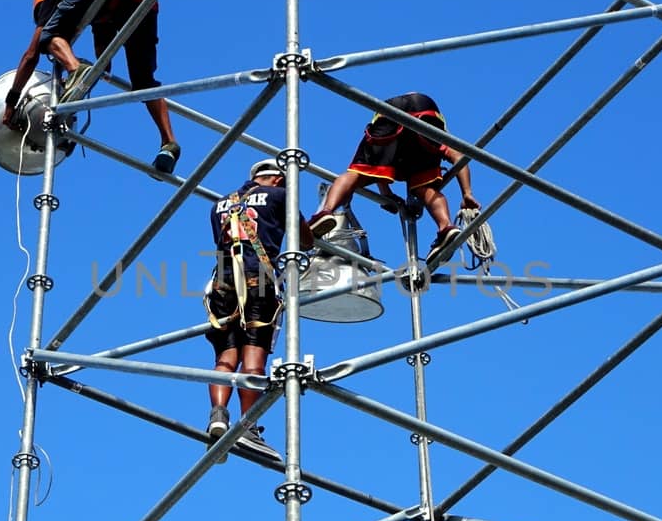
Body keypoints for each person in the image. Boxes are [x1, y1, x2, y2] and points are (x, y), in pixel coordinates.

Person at [2, 0, 180, 174]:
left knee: (47, 38)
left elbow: (31, 55)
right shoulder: (98, 14)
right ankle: (169, 143)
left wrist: (11, 102)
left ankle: (75, 69)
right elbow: (104, 57)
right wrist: (95, 72)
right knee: (144, 84)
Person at [205, 159, 314, 463]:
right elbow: (306, 240)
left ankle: (218, 416)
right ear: (279, 180)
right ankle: (247, 425)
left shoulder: (219, 204)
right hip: (259, 279)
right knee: (253, 361)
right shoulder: (279, 197)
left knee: (226, 359)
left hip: (222, 282)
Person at [309, 91, 479, 256]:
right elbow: (458, 156)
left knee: (356, 174)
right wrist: (467, 193)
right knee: (424, 188)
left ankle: (326, 211)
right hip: (426, 110)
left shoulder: (397, 159)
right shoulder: (414, 162)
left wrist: (386, 193)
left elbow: (378, 164)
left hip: (389, 112)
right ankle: (445, 227)